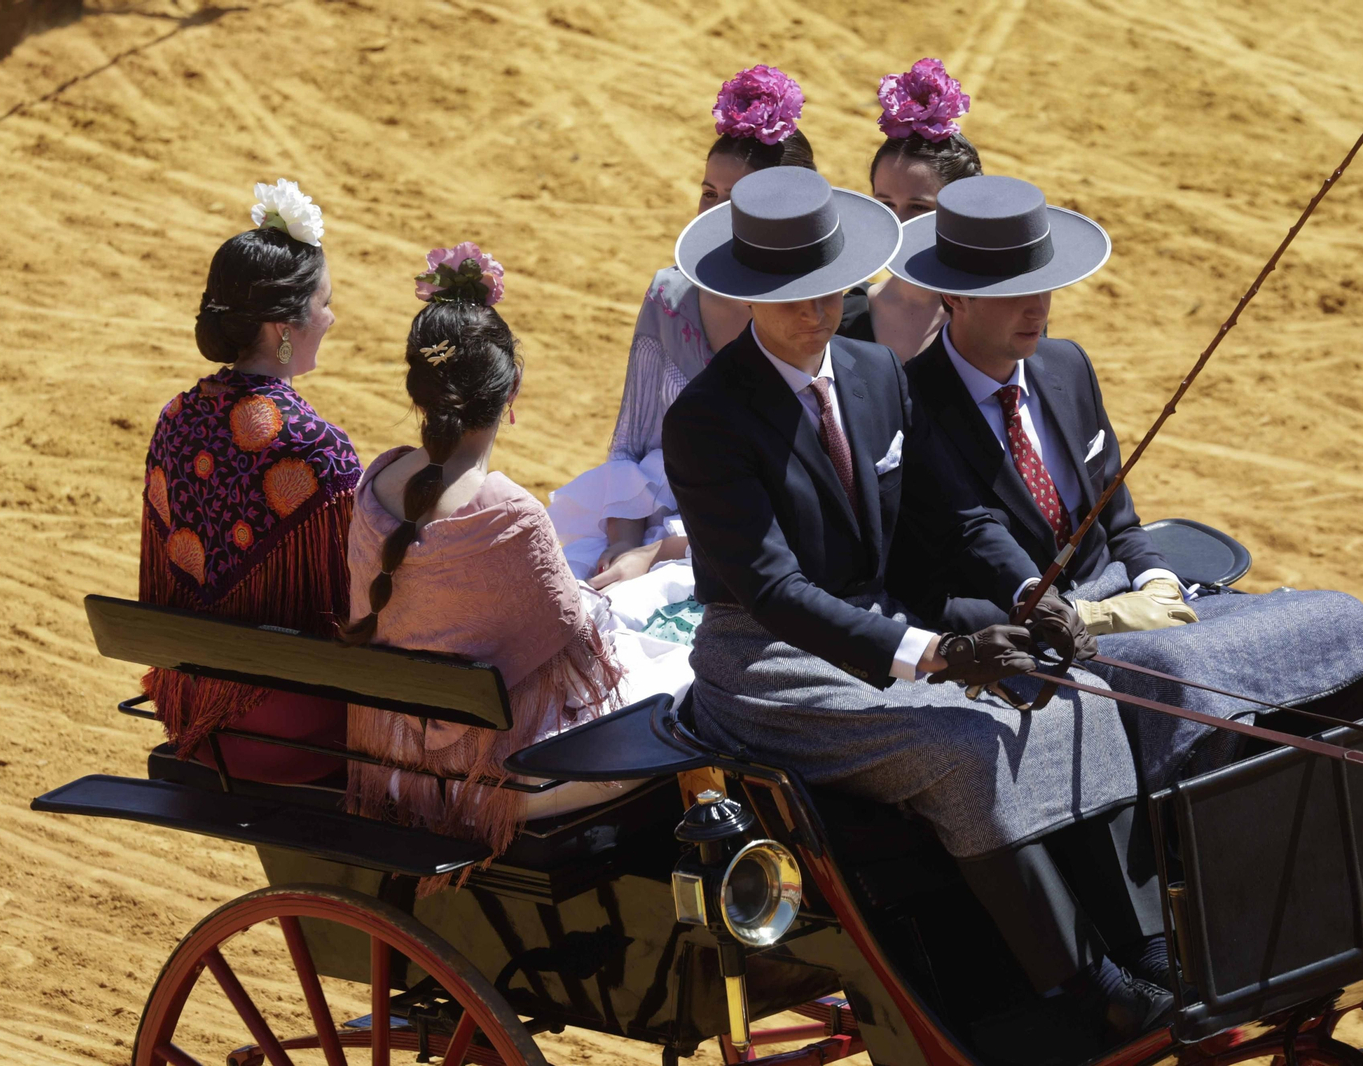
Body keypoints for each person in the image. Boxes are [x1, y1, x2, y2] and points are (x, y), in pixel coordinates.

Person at [664, 165, 1176, 1042]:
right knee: (964, 749)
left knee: (1072, 697)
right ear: (748, 295)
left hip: (883, 623)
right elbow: (777, 592)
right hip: (768, 664)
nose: (817, 313)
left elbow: (943, 519)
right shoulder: (706, 420)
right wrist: (931, 653)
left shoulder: (873, 373)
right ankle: (1082, 987)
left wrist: (1024, 597)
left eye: (831, 290)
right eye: (792, 296)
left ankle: (1151, 952)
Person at [885, 174, 1363, 786]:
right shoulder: (911, 402)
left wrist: (1157, 577)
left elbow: (1117, 514)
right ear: (955, 299)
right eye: (1015, 293)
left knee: (1339, 618)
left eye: (1045, 288)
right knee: (1184, 662)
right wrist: (1057, 614)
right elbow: (966, 541)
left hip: (1130, 599)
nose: (1038, 309)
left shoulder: (1067, 365)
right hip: (1028, 630)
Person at [340, 244, 631, 883]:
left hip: (382, 762)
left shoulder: (376, 481)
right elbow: (577, 655)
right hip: (476, 786)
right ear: (512, 391)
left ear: (419, 391)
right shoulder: (510, 513)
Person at [548, 64, 816, 624]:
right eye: (707, 192)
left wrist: (657, 554)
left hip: (768, 558)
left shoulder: (817, 311)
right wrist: (623, 542)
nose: (711, 215)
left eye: (733, 200)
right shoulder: (668, 296)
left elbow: (805, 505)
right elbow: (631, 440)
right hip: (656, 527)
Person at [140, 180, 362, 784]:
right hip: (296, 736)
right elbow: (358, 608)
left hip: (193, 719)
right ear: (281, 326)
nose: (332, 316)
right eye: (324, 302)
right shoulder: (319, 449)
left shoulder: (176, 418)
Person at [839, 58, 983, 362]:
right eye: (886, 204)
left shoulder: (1006, 315)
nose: (897, 223)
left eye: (918, 208)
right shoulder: (843, 318)